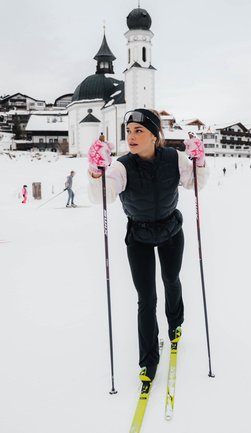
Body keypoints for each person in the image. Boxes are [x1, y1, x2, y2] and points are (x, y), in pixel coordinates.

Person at [87, 109, 209, 383]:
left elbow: (195, 183)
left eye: (139, 131)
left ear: (155, 135)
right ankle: (149, 360)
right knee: (147, 299)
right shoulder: (120, 166)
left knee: (171, 279)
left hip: (170, 230)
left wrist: (199, 161)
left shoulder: (173, 158)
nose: (131, 136)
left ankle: (175, 324)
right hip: (139, 236)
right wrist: (97, 172)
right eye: (128, 131)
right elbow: (101, 198)